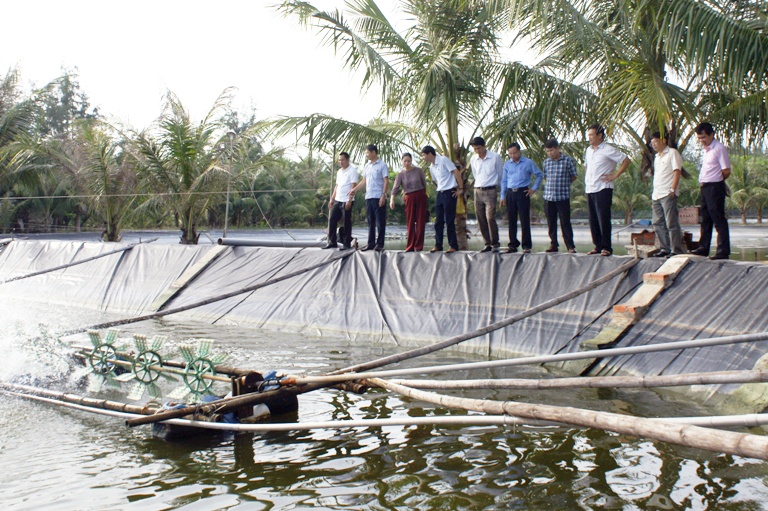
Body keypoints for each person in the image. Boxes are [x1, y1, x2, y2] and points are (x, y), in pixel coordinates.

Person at [584, 124, 631, 256]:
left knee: (603, 217)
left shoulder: (608, 149)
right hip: (590, 188)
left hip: (603, 188)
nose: (590, 138)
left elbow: (626, 160)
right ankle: (597, 245)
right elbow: (587, 167)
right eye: (589, 135)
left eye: (592, 135)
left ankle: (606, 247)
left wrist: (615, 175)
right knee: (592, 219)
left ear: (600, 136)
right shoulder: (589, 150)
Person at [690, 122, 731, 260]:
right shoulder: (706, 150)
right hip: (705, 187)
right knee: (705, 218)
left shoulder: (719, 148)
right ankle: (703, 247)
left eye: (704, 138)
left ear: (712, 135)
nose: (702, 141)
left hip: (715, 186)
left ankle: (723, 250)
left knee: (718, 217)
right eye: (699, 138)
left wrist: (718, 181)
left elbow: (726, 170)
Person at [500, 143, 543, 254]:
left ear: (519, 151)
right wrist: (502, 195)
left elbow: (539, 175)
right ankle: (513, 244)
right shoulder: (507, 164)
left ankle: (526, 245)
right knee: (511, 220)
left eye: (515, 153)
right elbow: (504, 180)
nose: (513, 155)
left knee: (524, 219)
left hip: (522, 192)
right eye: (510, 153)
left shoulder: (528, 163)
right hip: (510, 193)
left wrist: (533, 189)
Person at [421, 145, 463, 253]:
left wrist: (460, 188)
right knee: (438, 221)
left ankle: (453, 246)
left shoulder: (443, 160)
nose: (423, 158)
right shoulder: (431, 167)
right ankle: (438, 245)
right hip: (440, 193)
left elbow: (456, 172)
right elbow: (436, 180)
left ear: (430, 154)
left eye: (424, 155)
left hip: (450, 192)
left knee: (449, 220)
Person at [650, 132, 686, 257]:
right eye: (652, 143)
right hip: (657, 194)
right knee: (657, 222)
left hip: (667, 193)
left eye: (656, 142)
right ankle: (664, 248)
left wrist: (672, 189)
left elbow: (677, 171)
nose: (654, 145)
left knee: (671, 222)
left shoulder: (672, 153)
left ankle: (676, 249)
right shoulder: (657, 157)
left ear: (664, 141)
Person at [349, 144, 389, 251]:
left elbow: (386, 180)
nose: (366, 155)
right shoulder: (367, 166)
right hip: (369, 197)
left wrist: (383, 195)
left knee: (380, 221)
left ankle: (380, 244)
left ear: (374, 152)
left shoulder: (382, 165)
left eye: (367, 153)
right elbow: (364, 181)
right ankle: (370, 243)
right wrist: (354, 190)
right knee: (370, 221)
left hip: (378, 196)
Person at [542, 138, 577, 253]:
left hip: (562, 197)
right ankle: (553, 244)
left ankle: (570, 246)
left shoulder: (568, 161)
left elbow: (573, 176)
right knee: (551, 223)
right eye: (547, 151)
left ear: (557, 148)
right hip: (549, 197)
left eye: (551, 150)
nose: (549, 153)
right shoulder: (546, 162)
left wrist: (564, 184)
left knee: (565, 222)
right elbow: (546, 177)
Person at [469, 136, 503, 252]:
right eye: (475, 149)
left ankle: (495, 243)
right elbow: (475, 174)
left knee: (490, 217)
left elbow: (500, 174)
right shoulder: (473, 159)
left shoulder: (495, 157)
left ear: (484, 146)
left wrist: (495, 187)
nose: (477, 151)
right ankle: (487, 243)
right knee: (480, 217)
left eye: (479, 148)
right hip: (477, 190)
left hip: (491, 190)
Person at [390, 153, 428, 252]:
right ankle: (410, 245)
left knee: (420, 221)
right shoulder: (400, 174)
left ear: (411, 161)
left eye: (409, 161)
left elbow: (424, 184)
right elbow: (395, 188)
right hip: (409, 196)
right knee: (410, 221)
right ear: (402, 162)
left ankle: (418, 246)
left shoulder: (418, 171)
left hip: (420, 195)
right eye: (405, 161)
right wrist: (392, 199)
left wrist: (424, 195)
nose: (407, 163)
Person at [323, 152, 358, 250]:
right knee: (332, 219)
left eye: (342, 160)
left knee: (346, 222)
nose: (341, 162)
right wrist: (332, 199)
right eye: (339, 160)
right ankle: (332, 242)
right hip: (338, 199)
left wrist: (349, 200)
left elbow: (353, 186)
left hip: (346, 200)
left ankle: (346, 244)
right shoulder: (339, 172)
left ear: (347, 160)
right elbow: (337, 186)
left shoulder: (352, 171)